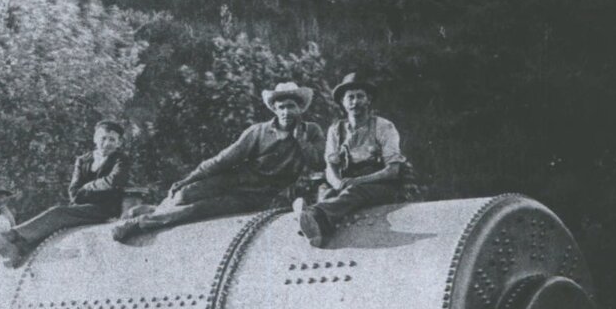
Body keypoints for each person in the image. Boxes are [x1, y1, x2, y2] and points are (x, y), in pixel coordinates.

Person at [110, 84, 322, 243]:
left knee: (197, 210)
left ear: (300, 109)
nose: (286, 112)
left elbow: (319, 163)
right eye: (281, 107)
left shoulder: (311, 131)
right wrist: (188, 179)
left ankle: (138, 223)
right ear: (274, 109)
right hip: (234, 180)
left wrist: (302, 142)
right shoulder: (258, 131)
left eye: (291, 107)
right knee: (184, 194)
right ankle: (155, 210)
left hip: (258, 196)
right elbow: (223, 159)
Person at [0, 120, 131, 267]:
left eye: (112, 140)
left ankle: (12, 235)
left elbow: (115, 181)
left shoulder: (121, 160)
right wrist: (94, 189)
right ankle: (18, 246)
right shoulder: (83, 160)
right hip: (82, 207)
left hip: (105, 209)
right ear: (95, 138)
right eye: (103, 138)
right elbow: (74, 193)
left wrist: (87, 187)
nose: (107, 143)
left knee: (58, 213)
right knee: (56, 218)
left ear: (119, 143)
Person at [300, 72, 412, 247]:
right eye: (350, 97)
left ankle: (314, 214)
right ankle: (317, 231)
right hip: (349, 184)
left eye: (360, 96)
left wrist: (358, 181)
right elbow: (330, 166)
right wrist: (338, 183)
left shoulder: (383, 126)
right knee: (327, 193)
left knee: (355, 192)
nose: (355, 102)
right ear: (343, 102)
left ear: (368, 100)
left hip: (383, 186)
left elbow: (392, 170)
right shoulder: (336, 130)